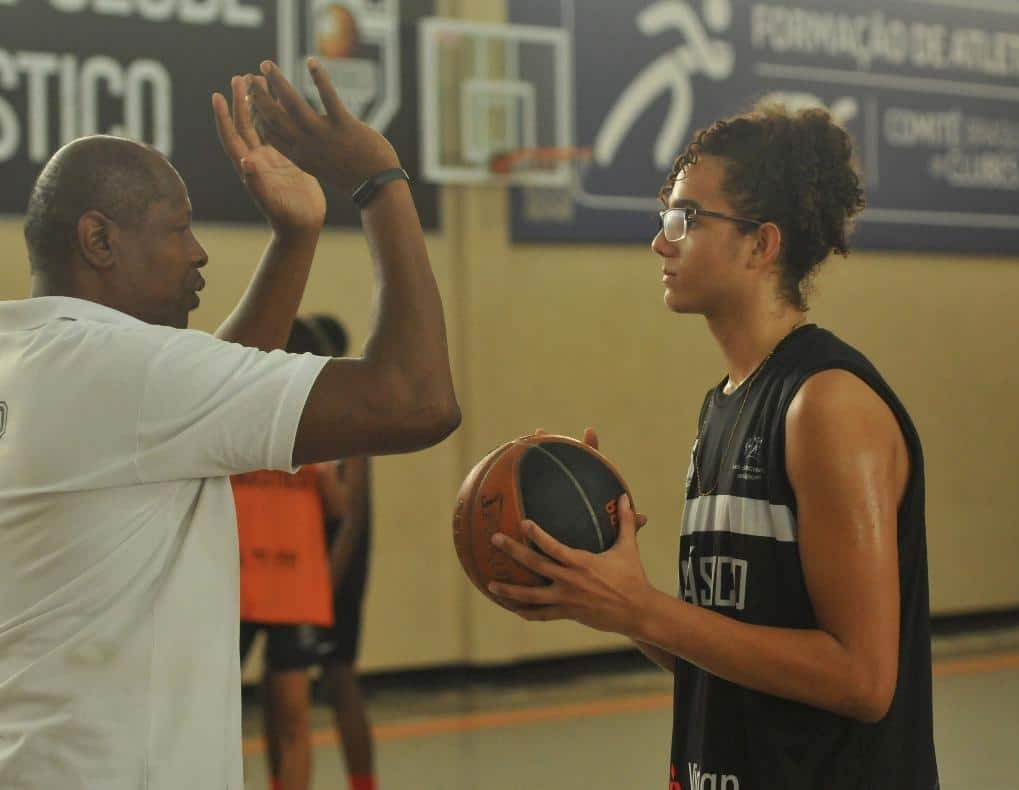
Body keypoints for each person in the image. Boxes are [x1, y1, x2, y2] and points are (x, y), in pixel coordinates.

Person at [0, 58, 459, 790]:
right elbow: (417, 399)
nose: (199, 250)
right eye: (178, 228)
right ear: (99, 240)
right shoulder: (122, 371)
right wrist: (378, 180)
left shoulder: (29, 354)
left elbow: (197, 414)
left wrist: (295, 238)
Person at [488, 104, 938, 789]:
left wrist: (644, 610)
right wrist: (615, 602)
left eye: (686, 219)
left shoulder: (825, 405)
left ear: (761, 244)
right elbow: (727, 663)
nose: (660, 242)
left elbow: (862, 679)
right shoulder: (723, 406)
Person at [234, 318, 345, 790]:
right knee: (279, 715)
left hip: (279, 586)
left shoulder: (314, 430)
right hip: (249, 585)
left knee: (286, 715)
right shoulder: (234, 418)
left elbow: (337, 506)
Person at [304, 314, 380, 790]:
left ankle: (364, 782)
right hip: (303, 564)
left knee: (339, 679)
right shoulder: (311, 414)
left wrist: (327, 582)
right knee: (287, 684)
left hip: (336, 569)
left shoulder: (349, 421)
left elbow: (352, 514)